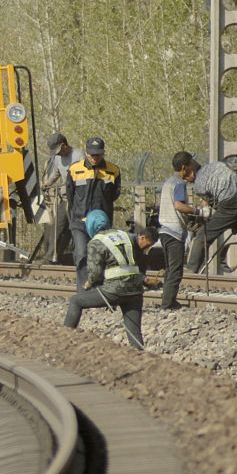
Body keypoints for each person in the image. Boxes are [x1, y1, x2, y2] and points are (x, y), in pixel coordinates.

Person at [64, 210, 157, 350]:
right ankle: (139, 354)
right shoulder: (126, 235)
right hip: (135, 290)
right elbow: (139, 260)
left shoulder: (96, 242)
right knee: (134, 331)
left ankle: (64, 339)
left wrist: (89, 283)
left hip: (113, 291)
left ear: (90, 227)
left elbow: (95, 272)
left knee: (75, 301)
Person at [182, 157, 237, 277]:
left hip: (231, 204)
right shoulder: (216, 165)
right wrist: (236, 223)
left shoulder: (198, 185)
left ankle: (191, 269)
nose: (186, 180)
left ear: (191, 171)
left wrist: (230, 221)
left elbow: (218, 205)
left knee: (203, 236)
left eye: (186, 177)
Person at [64, 137, 122, 286]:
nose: (95, 158)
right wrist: (79, 212)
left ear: (103, 153)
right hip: (80, 222)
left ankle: (98, 287)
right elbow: (70, 195)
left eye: (98, 154)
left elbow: (114, 195)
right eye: (92, 154)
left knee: (101, 255)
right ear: (86, 153)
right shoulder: (74, 169)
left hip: (101, 224)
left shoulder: (113, 171)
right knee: (81, 254)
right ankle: (83, 288)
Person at [159, 152, 201, 310]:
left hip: (164, 231)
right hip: (174, 232)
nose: (192, 169)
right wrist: (197, 211)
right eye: (191, 166)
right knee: (176, 271)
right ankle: (168, 303)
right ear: (184, 167)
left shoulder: (168, 182)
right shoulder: (179, 184)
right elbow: (179, 205)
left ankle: (167, 300)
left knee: (170, 269)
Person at [41, 132, 81, 264]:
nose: (57, 154)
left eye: (58, 150)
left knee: (78, 229)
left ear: (64, 145)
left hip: (78, 200)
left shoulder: (79, 156)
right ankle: (50, 258)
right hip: (65, 199)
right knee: (57, 228)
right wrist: (47, 183)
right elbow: (56, 173)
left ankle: (81, 258)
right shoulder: (58, 158)